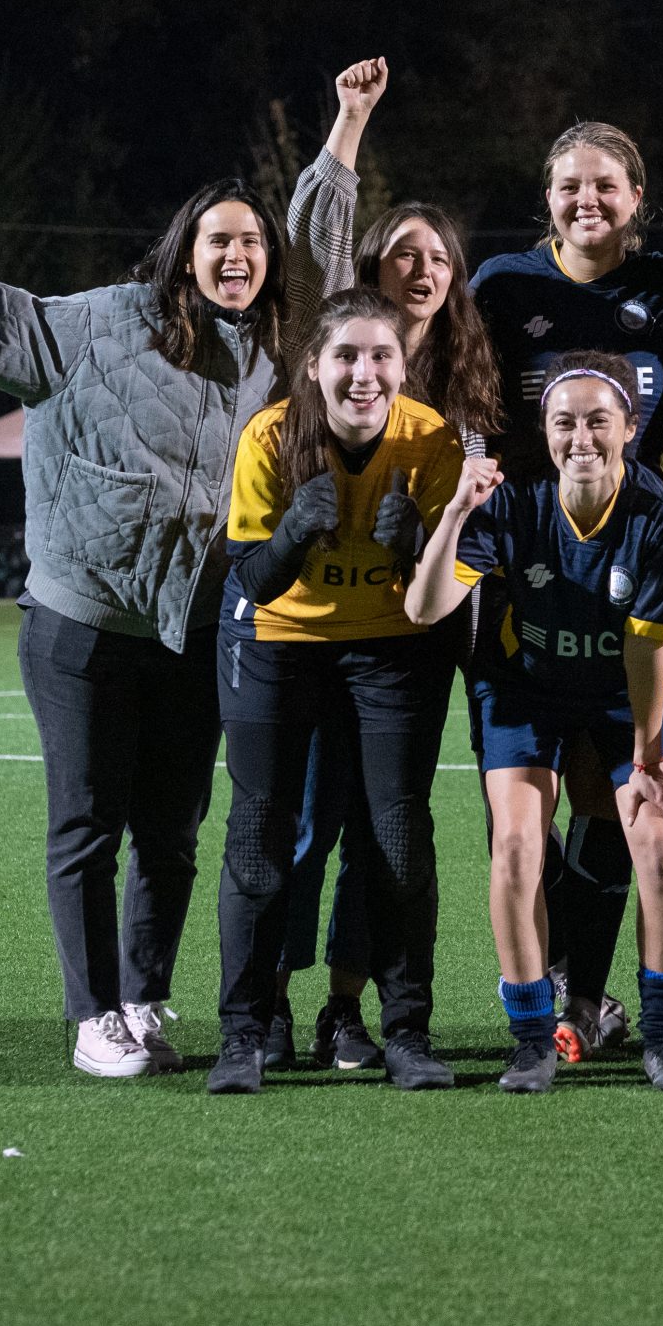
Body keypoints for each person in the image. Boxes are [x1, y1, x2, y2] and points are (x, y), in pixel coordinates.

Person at [0, 182, 302, 1079]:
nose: (236, 257)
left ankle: (143, 997)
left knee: (172, 831)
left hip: (192, 628)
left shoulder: (271, 354)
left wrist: (345, 136)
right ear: (184, 248)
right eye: (218, 240)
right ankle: (93, 1016)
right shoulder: (96, 322)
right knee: (88, 824)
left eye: (252, 242)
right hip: (83, 622)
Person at [264, 58, 507, 1072]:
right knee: (312, 818)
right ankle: (281, 1004)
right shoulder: (334, 350)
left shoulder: (465, 380)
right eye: (400, 252)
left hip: (426, 623)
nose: (419, 267)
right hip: (325, 624)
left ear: (454, 277)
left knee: (388, 822)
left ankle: (356, 1004)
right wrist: (348, 123)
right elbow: (308, 240)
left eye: (437, 256)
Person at [409, 352, 663, 1093]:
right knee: (513, 850)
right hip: (526, 690)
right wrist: (453, 513)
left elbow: (645, 643)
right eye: (563, 421)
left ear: (630, 428)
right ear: (543, 430)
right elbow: (424, 606)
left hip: (625, 695)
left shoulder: (657, 509)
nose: (581, 436)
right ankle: (533, 1038)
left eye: (598, 421)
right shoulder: (511, 500)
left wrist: (644, 755)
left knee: (660, 847)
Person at [468, 120, 663, 1062]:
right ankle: (547, 993)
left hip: (629, 560)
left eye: (606, 184)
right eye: (568, 185)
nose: (586, 200)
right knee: (521, 821)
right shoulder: (504, 287)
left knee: (622, 813)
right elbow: (461, 391)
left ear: (637, 197)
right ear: (546, 196)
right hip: (524, 565)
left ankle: (593, 993)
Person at [206, 289, 466, 1094]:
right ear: (313, 366)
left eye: (381, 356)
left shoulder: (430, 441)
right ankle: (245, 1033)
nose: (364, 373)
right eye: (346, 356)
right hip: (279, 638)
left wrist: (417, 542)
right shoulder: (273, 435)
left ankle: (407, 1031)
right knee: (261, 832)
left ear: (403, 364)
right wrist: (291, 536)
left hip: (390, 642)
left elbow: (450, 580)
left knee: (396, 836)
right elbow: (249, 577)